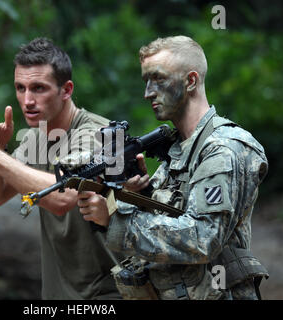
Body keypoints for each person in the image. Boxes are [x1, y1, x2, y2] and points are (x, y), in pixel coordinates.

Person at [77, 35, 269, 300]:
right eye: (146, 81)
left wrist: (115, 220)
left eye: (159, 79)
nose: (148, 93)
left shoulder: (223, 148)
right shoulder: (179, 150)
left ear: (191, 81)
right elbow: (171, 222)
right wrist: (139, 198)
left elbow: (204, 238)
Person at [0, 38, 122, 299]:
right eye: (20, 88)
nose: (27, 100)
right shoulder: (36, 138)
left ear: (66, 90)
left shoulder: (97, 135)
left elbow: (62, 197)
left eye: (38, 88)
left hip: (109, 294)